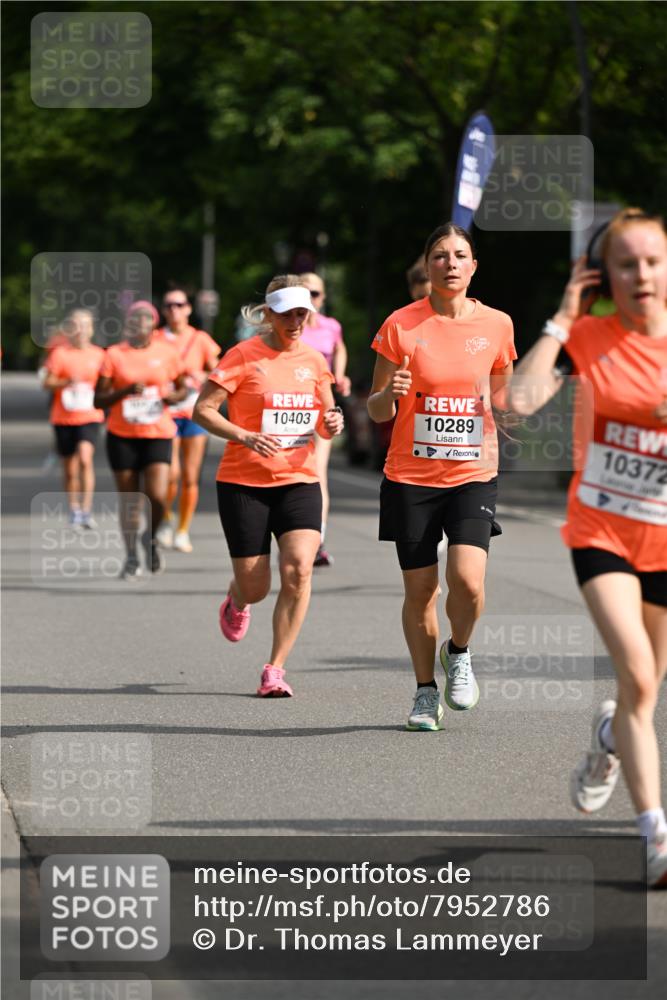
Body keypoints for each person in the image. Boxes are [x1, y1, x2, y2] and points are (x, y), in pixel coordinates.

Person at [508, 208, 667, 887]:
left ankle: (608, 739)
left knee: (640, 693)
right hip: (601, 530)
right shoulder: (589, 338)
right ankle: (655, 835)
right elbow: (519, 399)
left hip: (664, 536)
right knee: (638, 676)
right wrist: (562, 317)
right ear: (604, 275)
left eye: (652, 262)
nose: (641, 276)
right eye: (626, 264)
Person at [367, 223, 516, 731]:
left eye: (459, 255)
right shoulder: (400, 325)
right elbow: (376, 409)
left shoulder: (497, 325)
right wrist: (389, 394)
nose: (450, 263)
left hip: (473, 472)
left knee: (468, 583)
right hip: (411, 476)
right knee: (421, 591)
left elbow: (503, 397)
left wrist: (517, 410)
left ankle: (459, 651)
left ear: (473, 267)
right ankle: (425, 691)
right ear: (427, 265)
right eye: (439, 255)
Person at [193, 275, 344, 697]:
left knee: (299, 569)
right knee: (255, 587)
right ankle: (237, 599)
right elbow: (203, 410)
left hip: (299, 480)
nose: (295, 322)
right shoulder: (243, 355)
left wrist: (332, 423)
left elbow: (325, 423)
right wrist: (244, 435)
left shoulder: (315, 361)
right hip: (244, 482)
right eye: (287, 314)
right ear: (268, 314)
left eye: (302, 314)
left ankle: (275, 668)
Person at [94, 301, 187, 579]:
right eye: (135, 320)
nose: (139, 325)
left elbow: (182, 388)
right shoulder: (114, 354)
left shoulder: (167, 353)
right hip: (122, 435)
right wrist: (124, 392)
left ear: (153, 326)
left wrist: (172, 397)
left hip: (158, 432)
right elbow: (98, 400)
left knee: (157, 496)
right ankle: (131, 555)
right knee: (130, 501)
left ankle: (151, 537)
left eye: (145, 321)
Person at [153, 288, 221, 553]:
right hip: (165, 413)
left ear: (189, 309)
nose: (174, 310)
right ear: (163, 310)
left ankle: (183, 530)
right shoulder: (156, 338)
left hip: (194, 413)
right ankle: (166, 520)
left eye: (180, 305)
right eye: (169, 305)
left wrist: (201, 375)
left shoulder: (200, 339)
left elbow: (218, 372)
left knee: (190, 477)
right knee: (171, 475)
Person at [298, 272, 351, 566]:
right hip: (290, 408)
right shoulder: (289, 326)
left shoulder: (331, 326)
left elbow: (339, 348)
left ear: (323, 297)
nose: (310, 298)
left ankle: (317, 541)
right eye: (304, 292)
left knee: (318, 473)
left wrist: (340, 376)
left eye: (315, 293)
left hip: (321, 407)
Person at [42, 309, 105, 527]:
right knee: (69, 468)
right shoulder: (60, 354)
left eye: (85, 325)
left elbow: (108, 384)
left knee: (86, 459)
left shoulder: (99, 355)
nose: (81, 330)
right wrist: (65, 382)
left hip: (90, 415)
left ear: (91, 329)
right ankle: (74, 508)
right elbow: (46, 383)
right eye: (76, 325)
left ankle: (86, 510)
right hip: (64, 417)